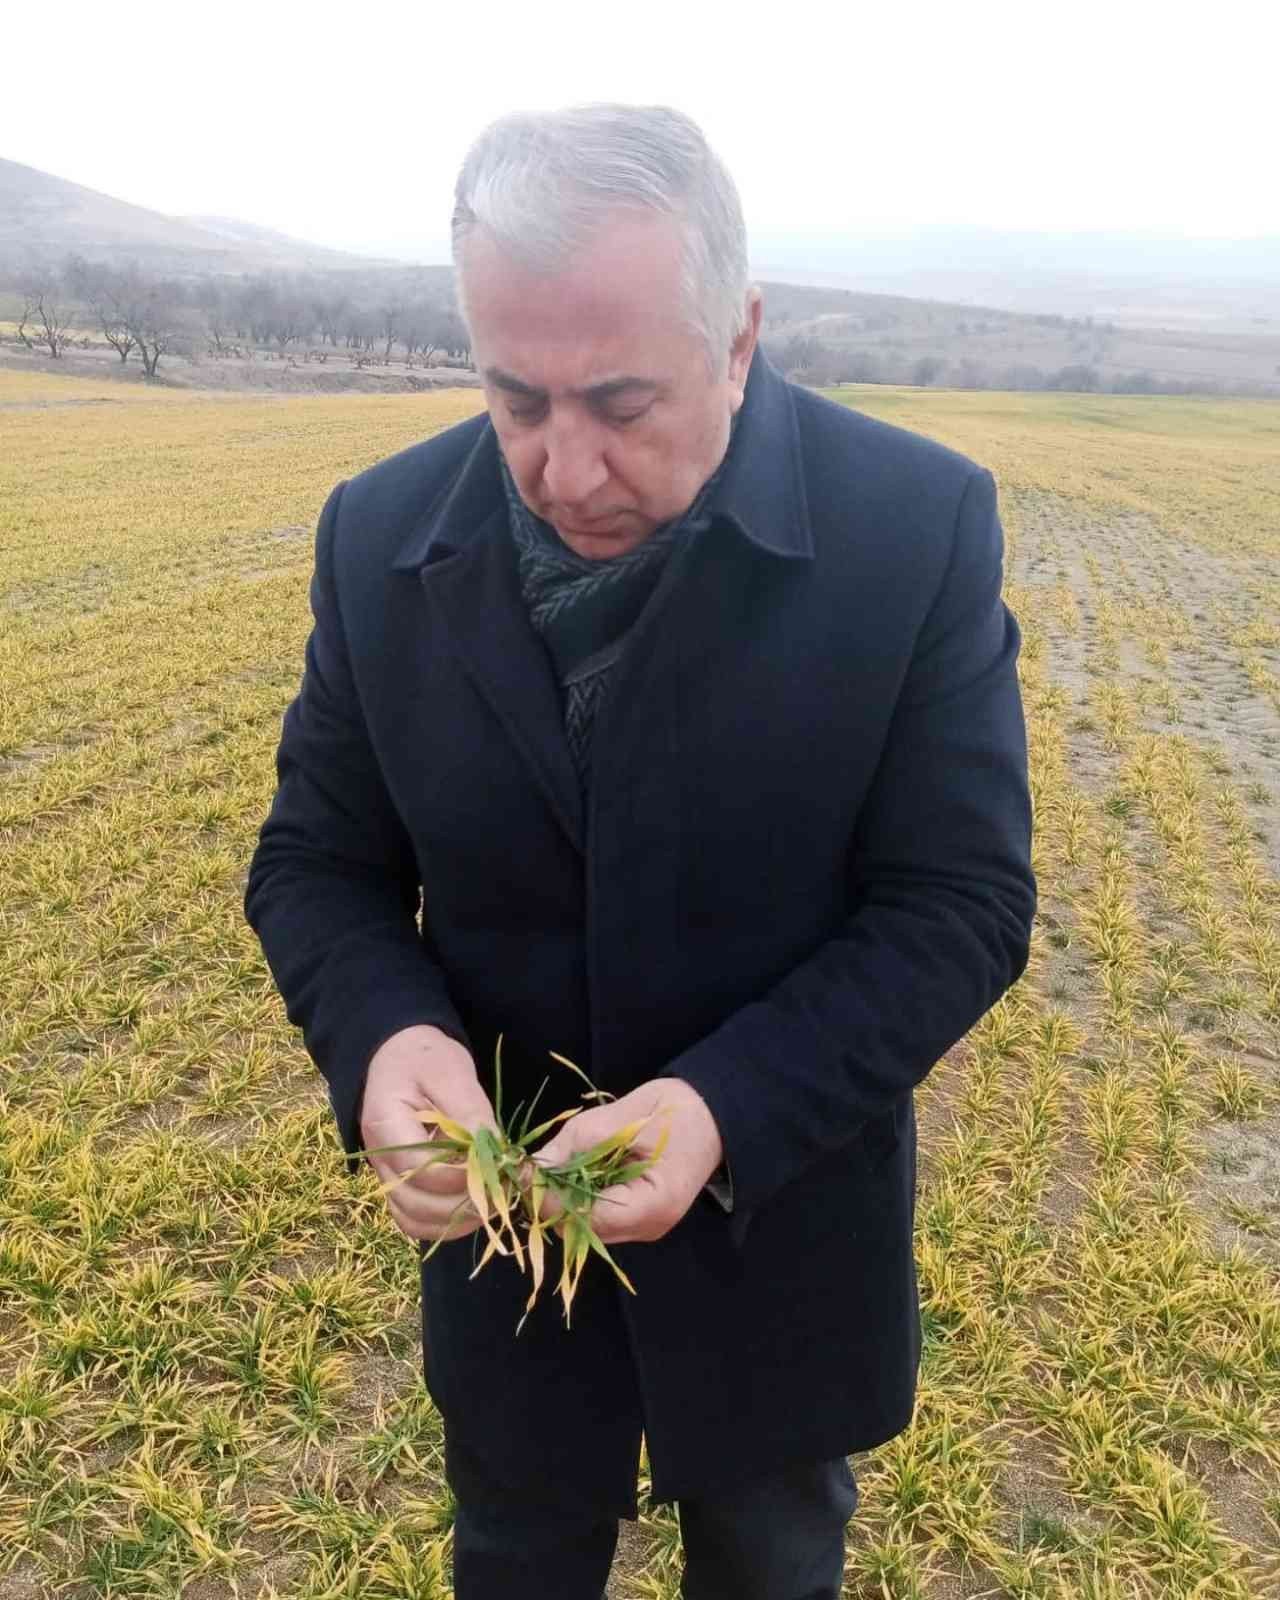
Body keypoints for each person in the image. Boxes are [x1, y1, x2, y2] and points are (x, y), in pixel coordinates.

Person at [244, 103, 1036, 1600]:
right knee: (519, 1556)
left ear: (738, 339)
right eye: (515, 398)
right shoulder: (379, 534)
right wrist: (387, 1036)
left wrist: (721, 1108)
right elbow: (316, 864)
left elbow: (961, 903)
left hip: (780, 1244)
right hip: (507, 1265)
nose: (567, 467)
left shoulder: (911, 527)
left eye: (621, 401)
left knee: (771, 1562)